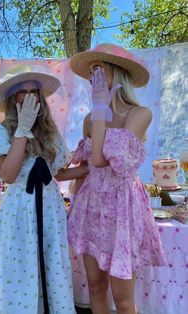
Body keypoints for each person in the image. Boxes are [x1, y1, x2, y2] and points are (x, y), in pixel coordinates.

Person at [0, 64, 88, 314]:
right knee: (19, 267)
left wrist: (93, 169)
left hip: (49, 208)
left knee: (50, 265)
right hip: (19, 212)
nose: (30, 96)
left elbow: (57, 173)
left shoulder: (49, 133)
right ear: (13, 98)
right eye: (23, 91)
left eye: (35, 91)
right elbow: (9, 174)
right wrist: (21, 131)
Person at [67, 43, 167, 314]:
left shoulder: (140, 114)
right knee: (96, 287)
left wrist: (101, 111)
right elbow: (89, 166)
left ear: (117, 73)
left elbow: (102, 158)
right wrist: (73, 204)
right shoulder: (89, 119)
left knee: (123, 299)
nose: (92, 78)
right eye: (90, 73)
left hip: (122, 209)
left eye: (98, 70)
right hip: (91, 208)